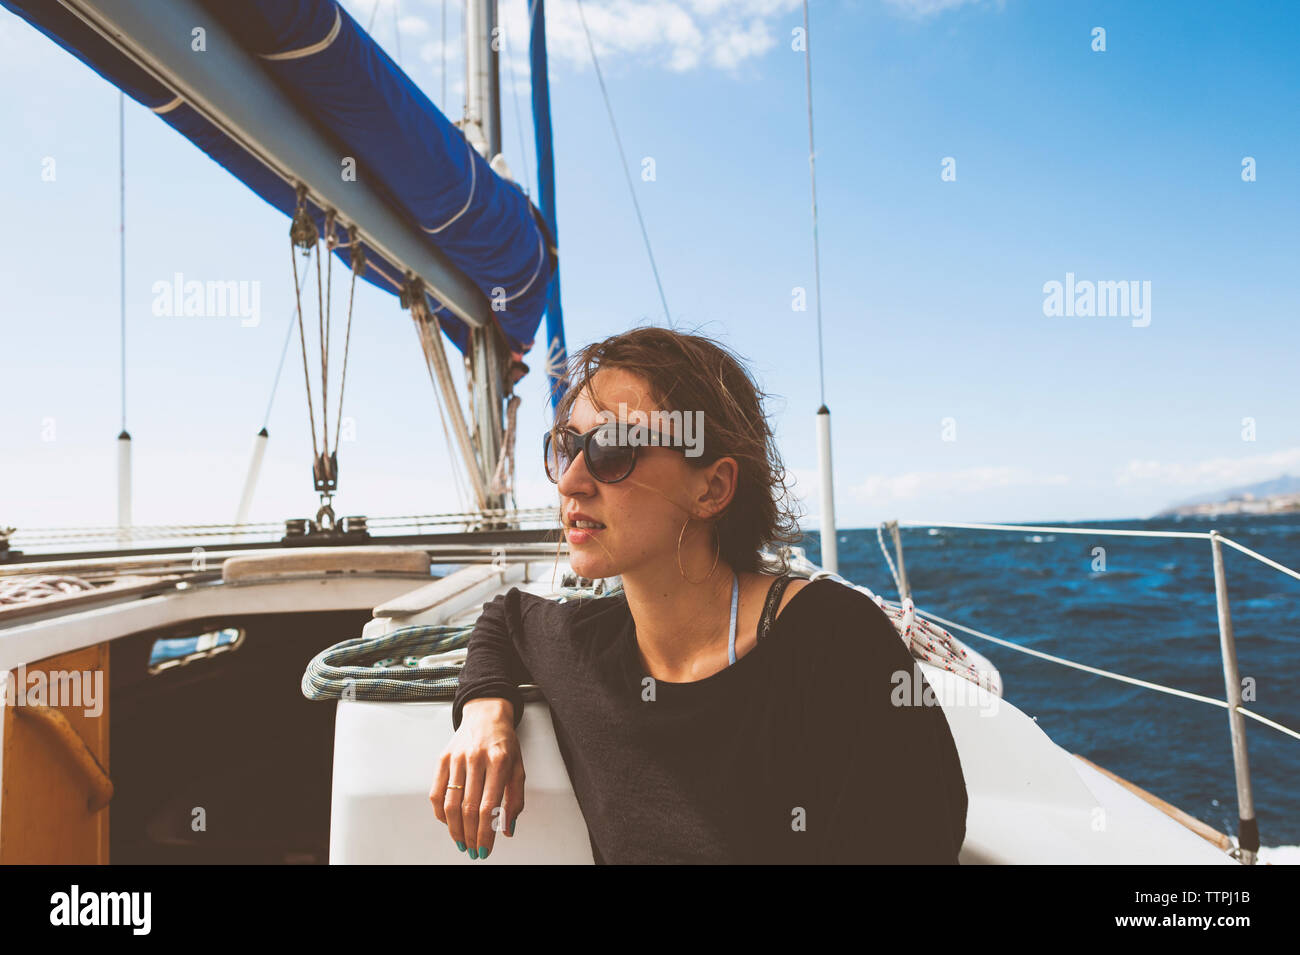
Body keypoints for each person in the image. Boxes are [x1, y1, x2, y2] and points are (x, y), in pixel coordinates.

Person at [430, 326, 967, 863]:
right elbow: (505, 618)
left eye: (612, 449)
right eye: (566, 447)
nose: (569, 481)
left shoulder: (837, 646)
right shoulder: (587, 650)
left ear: (712, 488)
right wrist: (485, 713)